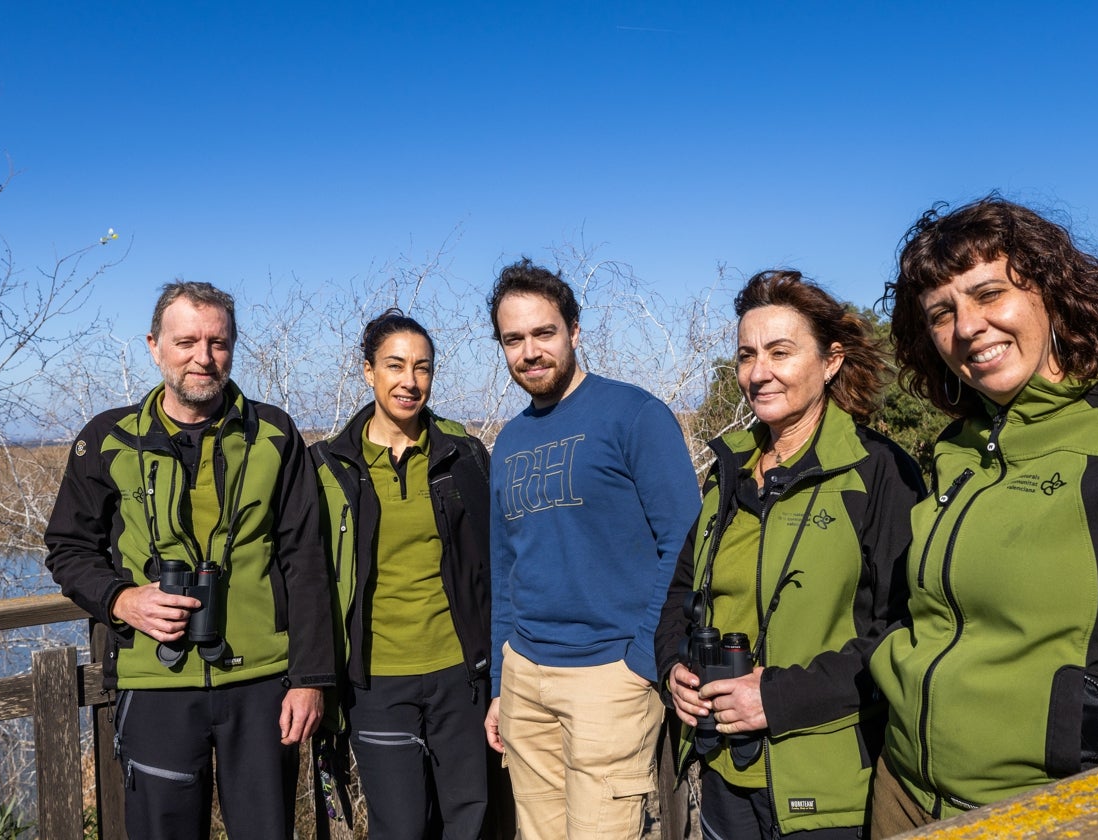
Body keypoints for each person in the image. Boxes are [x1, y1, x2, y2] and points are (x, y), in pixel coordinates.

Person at [870, 196, 1098, 835]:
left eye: (989, 293)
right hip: (899, 790)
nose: (967, 327)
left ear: (1050, 290)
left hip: (1048, 808)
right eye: (942, 312)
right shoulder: (954, 449)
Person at [44, 282, 335, 840]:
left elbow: (307, 558)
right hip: (155, 679)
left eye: (218, 342)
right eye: (187, 342)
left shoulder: (273, 433)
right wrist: (122, 600)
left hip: (263, 681)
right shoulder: (109, 439)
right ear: (154, 346)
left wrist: (310, 679)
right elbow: (68, 548)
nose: (203, 357)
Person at [655, 270, 925, 839]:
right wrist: (673, 667)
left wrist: (775, 698)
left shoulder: (879, 473)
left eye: (781, 351)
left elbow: (904, 630)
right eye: (747, 355)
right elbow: (682, 593)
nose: (759, 373)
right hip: (725, 772)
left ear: (831, 361)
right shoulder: (725, 473)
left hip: (829, 781)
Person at [482, 258, 700, 839]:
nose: (530, 351)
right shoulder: (508, 442)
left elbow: (684, 544)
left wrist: (639, 662)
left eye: (543, 333)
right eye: (514, 339)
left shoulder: (635, 415)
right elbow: (506, 568)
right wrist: (503, 683)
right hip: (526, 676)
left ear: (575, 331)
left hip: (609, 676)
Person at [310, 308, 493, 839]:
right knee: (400, 825)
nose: (410, 382)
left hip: (461, 673)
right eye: (395, 365)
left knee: (468, 819)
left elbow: (492, 562)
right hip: (377, 681)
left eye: (423, 368)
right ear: (368, 371)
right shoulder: (328, 467)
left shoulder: (464, 456)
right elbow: (305, 576)